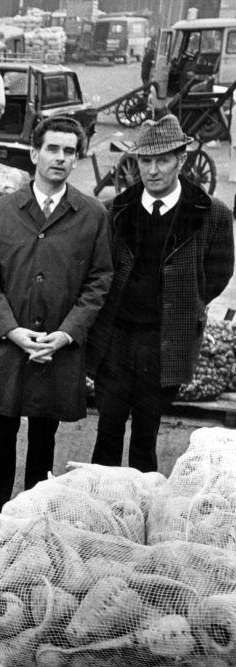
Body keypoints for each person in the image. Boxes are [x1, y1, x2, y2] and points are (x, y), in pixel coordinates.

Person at [0, 116, 113, 514]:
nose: (60, 158)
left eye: (70, 151)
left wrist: (66, 334)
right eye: (52, 148)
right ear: (34, 153)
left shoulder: (91, 214)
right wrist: (11, 330)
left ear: (77, 159)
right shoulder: (1, 212)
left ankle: (33, 514)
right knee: (1, 435)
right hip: (8, 347)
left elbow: (100, 279)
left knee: (43, 437)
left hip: (56, 350)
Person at [88, 115, 235, 472]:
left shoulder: (211, 213)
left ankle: (142, 505)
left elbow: (218, 273)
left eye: (163, 160)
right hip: (117, 339)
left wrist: (186, 304)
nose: (152, 171)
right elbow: (101, 270)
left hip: (165, 340)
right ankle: (98, 506)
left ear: (181, 160)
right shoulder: (115, 210)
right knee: (107, 427)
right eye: (145, 161)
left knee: (146, 431)